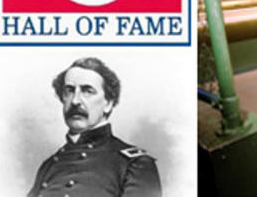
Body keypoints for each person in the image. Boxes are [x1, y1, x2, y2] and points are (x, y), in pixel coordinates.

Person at [28, 57, 161, 197]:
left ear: (108, 103)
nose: (75, 101)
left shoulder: (134, 164)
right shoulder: (49, 166)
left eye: (87, 91)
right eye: (69, 90)